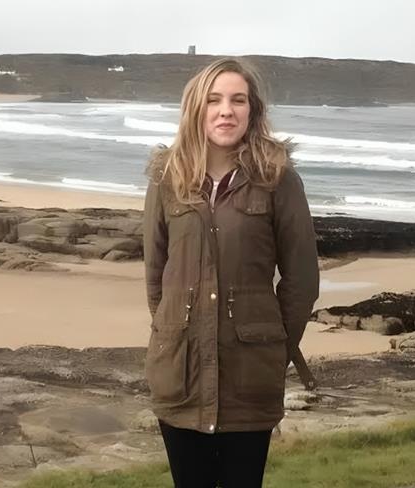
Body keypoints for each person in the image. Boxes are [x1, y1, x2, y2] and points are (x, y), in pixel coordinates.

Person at [142, 58, 320, 488]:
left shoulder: (278, 179)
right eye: (214, 100)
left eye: (238, 100)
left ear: (252, 109)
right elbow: (156, 275)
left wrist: (272, 349)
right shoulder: (167, 178)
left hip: (250, 379)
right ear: (196, 109)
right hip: (180, 378)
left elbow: (301, 281)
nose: (226, 111)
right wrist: (174, 337)